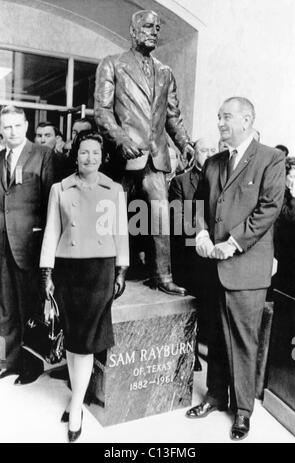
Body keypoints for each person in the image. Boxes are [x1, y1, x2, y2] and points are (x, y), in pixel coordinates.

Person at [186, 97, 285, 441]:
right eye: (218, 117)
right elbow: (197, 204)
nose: (221, 123)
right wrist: (199, 232)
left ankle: (243, 411)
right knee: (214, 334)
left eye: (226, 117)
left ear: (246, 120)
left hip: (245, 268)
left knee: (243, 341)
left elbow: (269, 207)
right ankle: (215, 396)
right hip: (212, 266)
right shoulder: (213, 162)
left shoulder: (272, 159)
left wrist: (233, 242)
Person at [94, 9, 194, 296]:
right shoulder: (112, 64)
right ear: (133, 30)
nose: (154, 32)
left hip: (155, 158)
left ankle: (162, 274)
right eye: (148, 26)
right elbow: (102, 111)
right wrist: (120, 139)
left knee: (160, 217)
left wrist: (185, 143)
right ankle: (115, 274)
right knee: (116, 219)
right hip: (123, 157)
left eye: (158, 28)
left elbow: (173, 116)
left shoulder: (165, 72)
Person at [39, 130, 129, 442]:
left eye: (94, 153)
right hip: (68, 270)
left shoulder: (113, 189)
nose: (88, 157)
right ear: (75, 155)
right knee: (74, 338)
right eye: (83, 152)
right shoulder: (59, 189)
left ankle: (76, 404)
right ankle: (78, 397)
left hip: (100, 271)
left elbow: (121, 233)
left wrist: (122, 270)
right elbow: (51, 231)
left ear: (102, 157)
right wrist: (47, 273)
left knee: (87, 340)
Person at [0, 105, 54, 384]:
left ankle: (31, 366)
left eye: (17, 126)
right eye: (6, 127)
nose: (12, 131)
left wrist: (45, 245)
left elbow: (50, 204)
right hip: (2, 243)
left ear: (26, 126)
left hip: (30, 245)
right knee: (6, 307)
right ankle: (9, 361)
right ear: (1, 130)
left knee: (30, 308)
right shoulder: (0, 158)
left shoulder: (43, 155)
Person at [169, 137, 216, 370]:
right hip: (188, 256)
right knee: (189, 307)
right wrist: (200, 236)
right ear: (193, 154)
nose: (208, 153)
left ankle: (200, 347)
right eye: (204, 150)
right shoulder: (180, 182)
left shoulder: (223, 179)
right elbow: (177, 219)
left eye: (212, 149)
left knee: (208, 307)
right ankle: (189, 354)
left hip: (214, 256)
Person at [273, 156, 295, 299]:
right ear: (284, 175)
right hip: (281, 251)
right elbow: (288, 216)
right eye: (293, 176)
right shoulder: (280, 193)